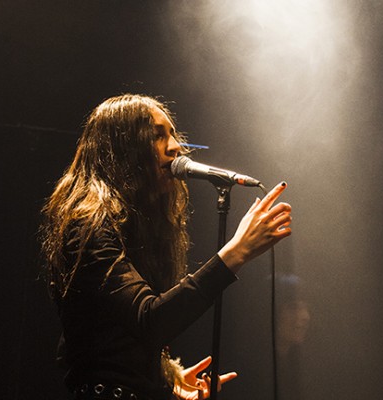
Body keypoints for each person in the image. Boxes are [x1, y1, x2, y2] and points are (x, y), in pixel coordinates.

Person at [39, 93, 292, 400]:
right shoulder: (88, 225)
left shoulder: (133, 227)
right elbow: (149, 320)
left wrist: (163, 381)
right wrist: (234, 253)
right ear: (122, 149)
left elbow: (119, 335)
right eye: (156, 136)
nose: (174, 148)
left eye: (173, 135)